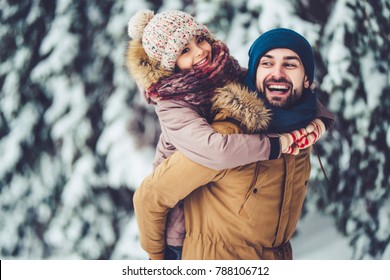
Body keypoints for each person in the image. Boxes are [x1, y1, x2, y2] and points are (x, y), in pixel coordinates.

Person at [132, 26, 334, 260]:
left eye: (290, 64)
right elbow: (149, 196)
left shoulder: (301, 131)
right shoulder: (228, 135)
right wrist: (158, 259)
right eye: (267, 63)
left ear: (307, 79)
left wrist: (320, 122)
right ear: (254, 74)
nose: (277, 73)